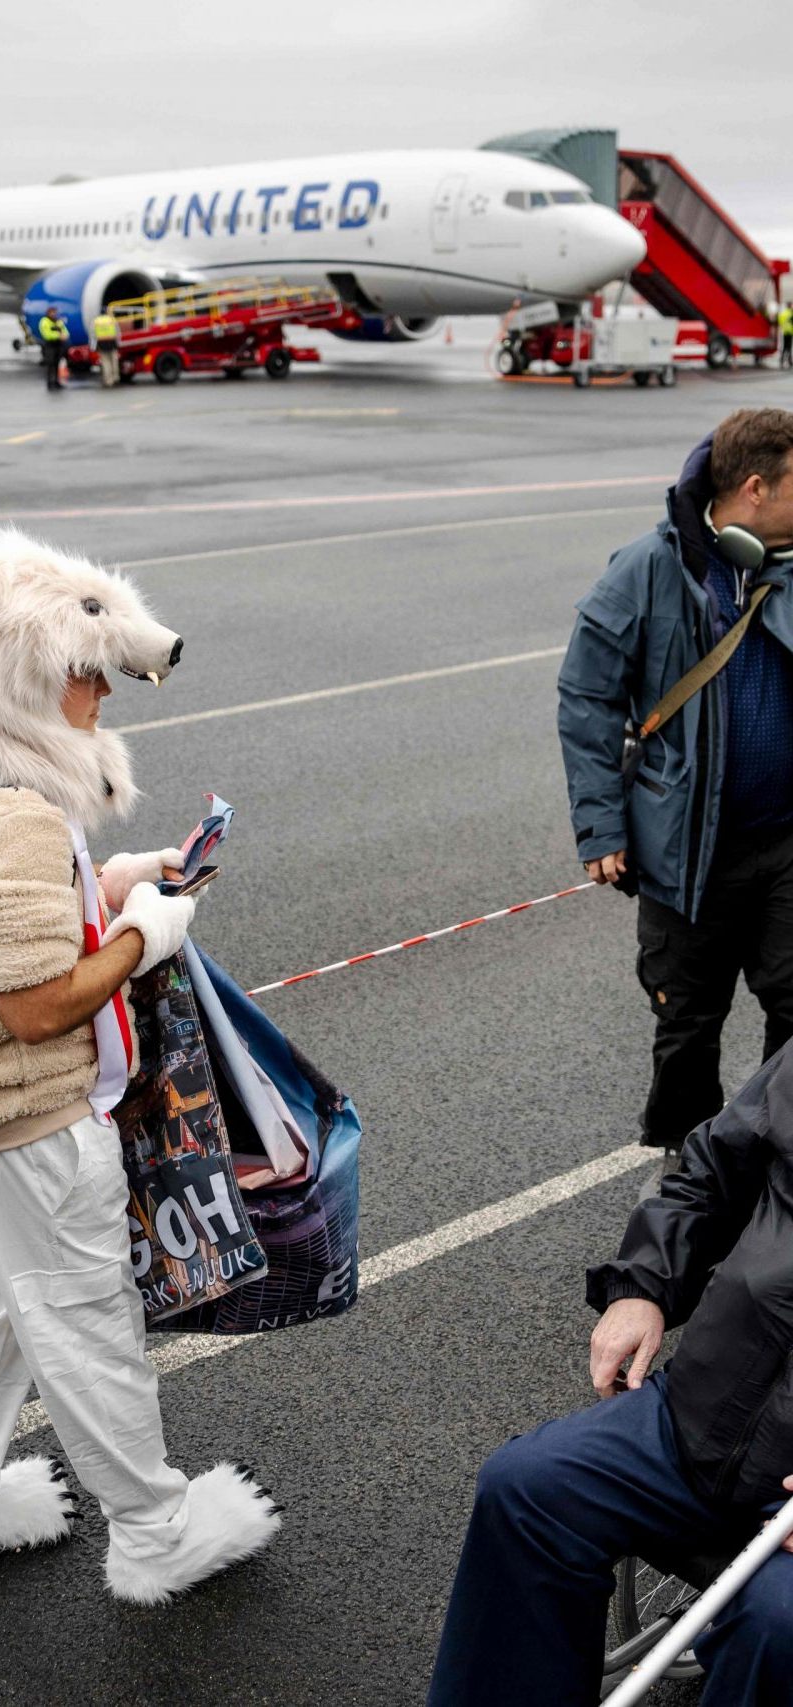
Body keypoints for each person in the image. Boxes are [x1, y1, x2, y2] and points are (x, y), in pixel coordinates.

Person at [0, 529, 281, 1601]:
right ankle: (156, 1531)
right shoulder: (12, 818)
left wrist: (114, 880)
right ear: (29, 683)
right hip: (26, 1116)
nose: (101, 699)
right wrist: (144, 936)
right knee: (81, 1316)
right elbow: (31, 1005)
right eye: (89, 680)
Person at [427, 1045, 793, 1707]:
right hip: (706, 1410)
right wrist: (643, 1285)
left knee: (780, 1626)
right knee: (528, 1488)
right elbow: (713, 1168)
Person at [558, 409, 793, 1186]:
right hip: (687, 849)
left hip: (785, 842)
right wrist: (600, 826)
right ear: (754, 489)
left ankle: (775, 1157)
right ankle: (692, 1178)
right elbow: (587, 696)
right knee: (688, 1022)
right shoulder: (649, 569)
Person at [39, 304, 69, 389]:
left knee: (57, 364)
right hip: (50, 345)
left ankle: (56, 381)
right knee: (50, 364)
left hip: (58, 345)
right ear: (48, 313)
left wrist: (65, 335)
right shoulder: (45, 321)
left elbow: (64, 330)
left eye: (55, 312)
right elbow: (47, 334)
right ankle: (49, 382)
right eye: (52, 312)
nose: (54, 314)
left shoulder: (58, 321)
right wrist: (59, 335)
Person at [91, 308, 121, 387]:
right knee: (114, 361)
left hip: (101, 343)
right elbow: (118, 332)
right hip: (112, 341)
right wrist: (118, 343)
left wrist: (93, 346)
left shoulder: (96, 321)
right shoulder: (111, 319)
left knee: (106, 363)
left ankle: (108, 381)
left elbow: (93, 334)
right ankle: (116, 378)